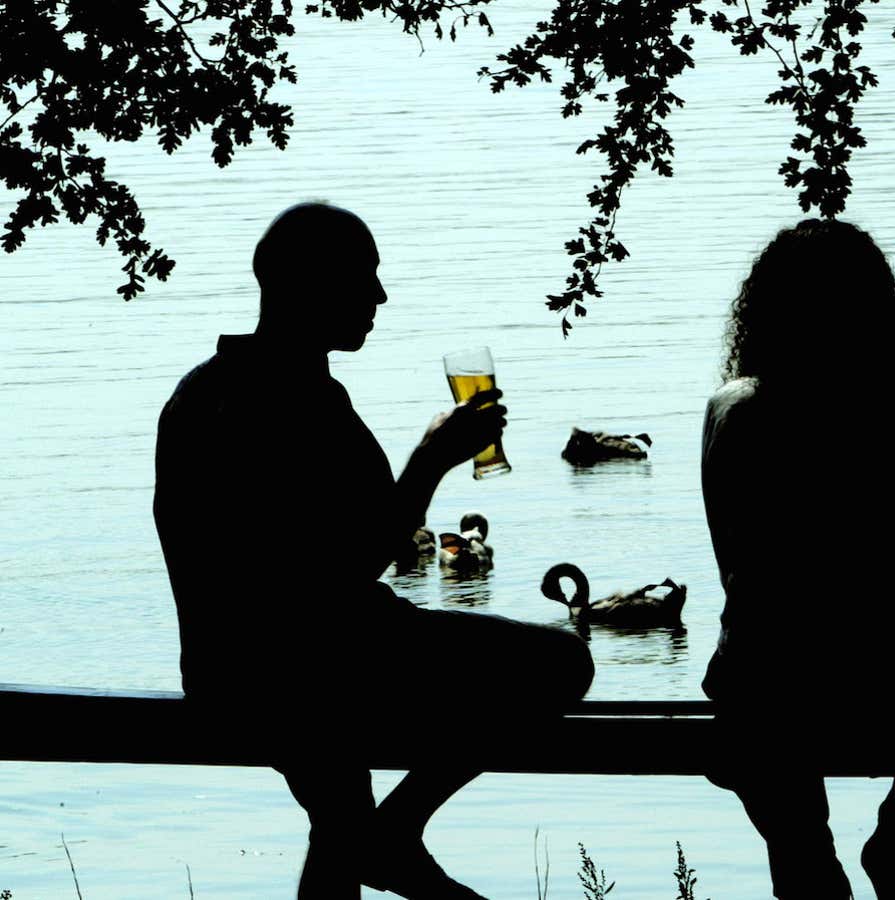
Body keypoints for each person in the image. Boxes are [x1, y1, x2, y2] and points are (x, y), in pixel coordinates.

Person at [153, 202, 595, 900]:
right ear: (308, 284)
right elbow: (343, 570)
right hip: (317, 664)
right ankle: (395, 832)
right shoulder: (292, 403)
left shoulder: (204, 392)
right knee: (561, 661)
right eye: (365, 277)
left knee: (336, 823)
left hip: (224, 673)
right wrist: (429, 462)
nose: (379, 297)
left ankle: (378, 841)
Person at [699, 219, 895, 900]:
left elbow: (729, 556)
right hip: (875, 655)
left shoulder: (732, 410)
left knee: (785, 798)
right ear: (875, 316)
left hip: (760, 668)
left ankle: (813, 861)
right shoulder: (893, 418)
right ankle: (894, 841)